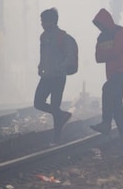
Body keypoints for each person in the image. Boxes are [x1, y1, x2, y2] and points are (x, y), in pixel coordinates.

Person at [90, 8, 123, 151]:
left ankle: (106, 123)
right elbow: (98, 58)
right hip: (113, 73)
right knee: (117, 105)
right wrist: (109, 52)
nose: (100, 28)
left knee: (106, 88)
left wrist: (107, 52)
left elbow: (116, 51)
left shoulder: (120, 32)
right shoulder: (101, 37)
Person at [34, 8, 72, 144]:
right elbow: (42, 54)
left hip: (58, 77)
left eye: (43, 21)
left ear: (52, 21)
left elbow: (69, 56)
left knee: (55, 106)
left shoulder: (63, 37)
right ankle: (62, 115)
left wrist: (61, 67)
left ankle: (57, 139)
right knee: (37, 102)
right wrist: (40, 66)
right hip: (46, 77)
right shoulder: (43, 37)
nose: (42, 24)